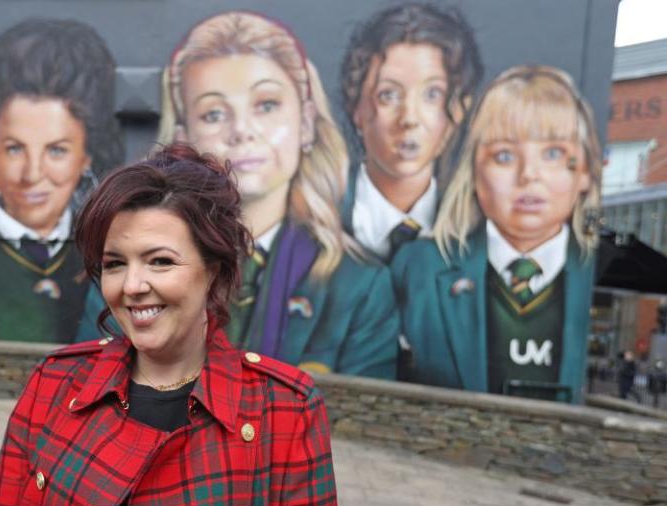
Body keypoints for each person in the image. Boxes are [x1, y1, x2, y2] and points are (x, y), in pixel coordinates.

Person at [0, 144, 340, 506]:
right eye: (114, 264)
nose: (131, 286)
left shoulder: (286, 410)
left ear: (214, 270)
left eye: (160, 261)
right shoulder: (55, 386)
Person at [145, 10, 397, 378]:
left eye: (266, 105)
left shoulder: (361, 286)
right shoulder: (133, 266)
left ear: (306, 123)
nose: (242, 131)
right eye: (214, 114)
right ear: (183, 139)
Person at [392, 66, 602, 404]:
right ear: (474, 171)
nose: (529, 175)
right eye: (504, 156)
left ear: (587, 174)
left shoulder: (595, 271)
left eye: (553, 154)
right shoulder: (419, 269)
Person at [0, 18, 123, 342]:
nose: (32, 175)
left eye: (57, 151)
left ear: (87, 154)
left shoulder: (107, 246)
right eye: (14, 148)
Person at [340, 2, 482, 262]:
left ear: (459, 109)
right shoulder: (314, 220)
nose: (409, 118)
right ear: (355, 108)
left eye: (432, 94)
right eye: (388, 95)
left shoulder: (476, 232)